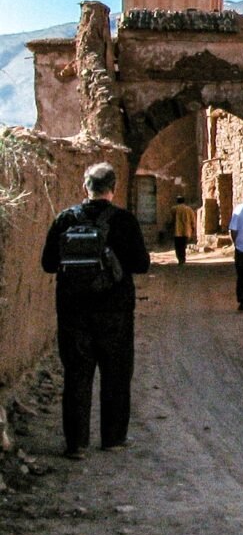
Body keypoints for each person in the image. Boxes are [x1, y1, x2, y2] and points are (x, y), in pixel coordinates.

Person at [40, 162, 150, 458]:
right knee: (116, 374)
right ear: (113, 188)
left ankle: (76, 444)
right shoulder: (124, 221)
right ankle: (113, 438)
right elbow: (141, 264)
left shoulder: (65, 219)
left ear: (84, 186)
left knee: (77, 375)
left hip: (73, 313)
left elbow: (48, 263)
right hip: (115, 313)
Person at [171, 196, 196, 266]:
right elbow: (193, 220)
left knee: (177, 246)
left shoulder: (174, 209)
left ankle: (179, 259)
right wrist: (193, 228)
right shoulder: (189, 209)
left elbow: (171, 220)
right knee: (183, 245)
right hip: (186, 230)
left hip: (177, 231)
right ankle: (183, 258)